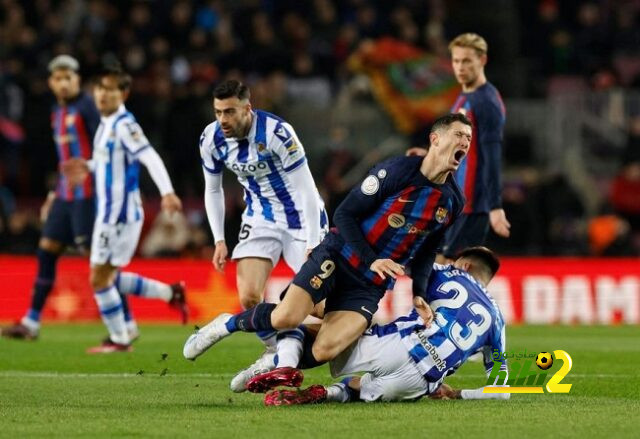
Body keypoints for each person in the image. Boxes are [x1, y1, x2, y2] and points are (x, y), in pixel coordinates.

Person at [183, 113, 470, 384]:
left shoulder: (453, 201)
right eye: (458, 135)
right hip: (338, 257)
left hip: (369, 284)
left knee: (326, 348)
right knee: (286, 317)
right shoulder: (396, 171)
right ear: (435, 139)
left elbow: (427, 249)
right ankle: (226, 324)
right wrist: (372, 259)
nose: (464, 143)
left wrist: (419, 293)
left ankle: (276, 360)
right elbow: (344, 214)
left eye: (468, 139)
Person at [197, 79, 328, 390]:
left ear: (247, 108)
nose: (223, 120)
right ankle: (274, 353)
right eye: (218, 112)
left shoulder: (277, 133)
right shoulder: (210, 138)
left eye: (230, 112)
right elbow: (212, 189)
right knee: (249, 297)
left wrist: (313, 242)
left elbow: (308, 190)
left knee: (323, 308)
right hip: (260, 218)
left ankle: (282, 348)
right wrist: (218, 239)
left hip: (301, 220)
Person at [259, 247, 509, 405]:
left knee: (332, 324)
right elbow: (500, 391)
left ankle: (279, 362)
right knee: (358, 388)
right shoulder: (498, 322)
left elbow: (394, 258)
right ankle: (326, 393)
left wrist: (331, 251)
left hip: (396, 345)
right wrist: (456, 394)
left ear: (465, 265)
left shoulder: (448, 273)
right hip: (420, 383)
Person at [1, 55, 137, 341]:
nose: (63, 84)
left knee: (99, 262)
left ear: (77, 80)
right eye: (58, 79)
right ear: (51, 83)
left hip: (89, 196)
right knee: (47, 249)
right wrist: (53, 193)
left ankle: (127, 323)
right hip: (65, 196)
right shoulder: (57, 111)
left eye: (68, 78)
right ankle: (32, 322)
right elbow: (66, 159)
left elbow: (105, 148)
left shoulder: (89, 106)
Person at [63, 63, 186, 353]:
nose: (103, 94)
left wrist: (167, 192)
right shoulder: (106, 125)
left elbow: (149, 156)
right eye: (100, 88)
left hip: (120, 215)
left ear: (124, 93)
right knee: (108, 275)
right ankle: (169, 293)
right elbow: (111, 163)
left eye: (110, 89)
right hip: (109, 213)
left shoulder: (125, 125)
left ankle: (120, 338)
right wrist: (90, 167)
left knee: (99, 277)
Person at [408, 33, 510, 262]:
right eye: (456, 61)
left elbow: (492, 157)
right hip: (456, 198)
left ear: (482, 60)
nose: (460, 67)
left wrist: (495, 207)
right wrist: (429, 155)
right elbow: (460, 145)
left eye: (467, 61)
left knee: (448, 267)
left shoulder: (487, 102)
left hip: (473, 204)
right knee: (440, 267)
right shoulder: (465, 96)